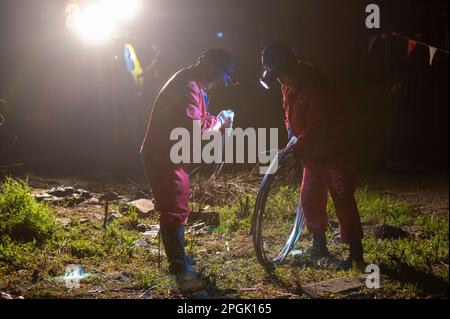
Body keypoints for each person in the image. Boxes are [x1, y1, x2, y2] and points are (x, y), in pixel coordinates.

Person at [259, 41, 364, 268]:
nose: (278, 79)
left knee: (342, 197)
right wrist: (291, 139)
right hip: (313, 154)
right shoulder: (286, 84)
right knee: (310, 198)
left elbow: (318, 128)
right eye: (274, 75)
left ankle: (356, 252)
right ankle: (319, 245)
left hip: (336, 151)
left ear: (289, 66)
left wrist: (294, 150)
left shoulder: (317, 85)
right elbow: (288, 115)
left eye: (279, 74)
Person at [140, 49, 237, 288]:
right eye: (224, 76)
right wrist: (222, 122)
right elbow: (196, 129)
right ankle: (179, 267)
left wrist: (216, 121)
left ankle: (179, 259)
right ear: (214, 69)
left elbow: (198, 121)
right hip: (164, 154)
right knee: (173, 209)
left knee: (178, 208)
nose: (223, 83)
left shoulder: (194, 84)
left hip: (171, 154)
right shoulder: (188, 86)